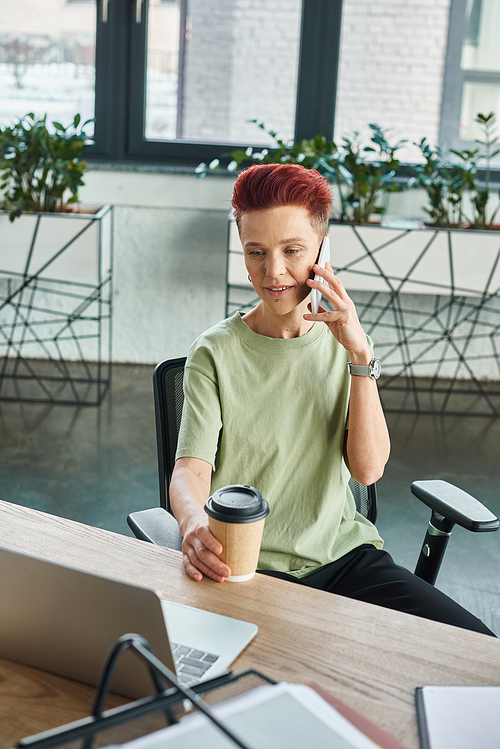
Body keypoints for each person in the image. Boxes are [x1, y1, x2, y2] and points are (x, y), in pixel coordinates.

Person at [170, 163, 494, 637]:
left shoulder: (347, 346)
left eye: (292, 250)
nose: (273, 271)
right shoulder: (215, 352)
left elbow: (367, 470)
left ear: (323, 249)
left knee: (476, 648)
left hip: (346, 560)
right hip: (247, 567)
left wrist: (360, 354)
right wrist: (194, 522)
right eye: (255, 252)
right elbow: (190, 470)